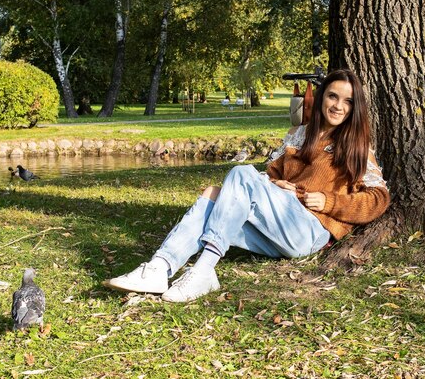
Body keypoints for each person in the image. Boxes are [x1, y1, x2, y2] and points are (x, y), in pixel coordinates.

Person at [103, 69, 390, 302]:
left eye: (348, 101)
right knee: (212, 196)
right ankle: (160, 267)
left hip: (309, 229)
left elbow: (378, 199)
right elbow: (268, 176)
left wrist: (329, 202)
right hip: (279, 222)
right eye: (332, 96)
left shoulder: (356, 148)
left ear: (355, 108)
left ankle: (204, 268)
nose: (338, 106)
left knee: (241, 174)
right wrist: (279, 184)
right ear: (322, 97)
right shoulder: (300, 135)